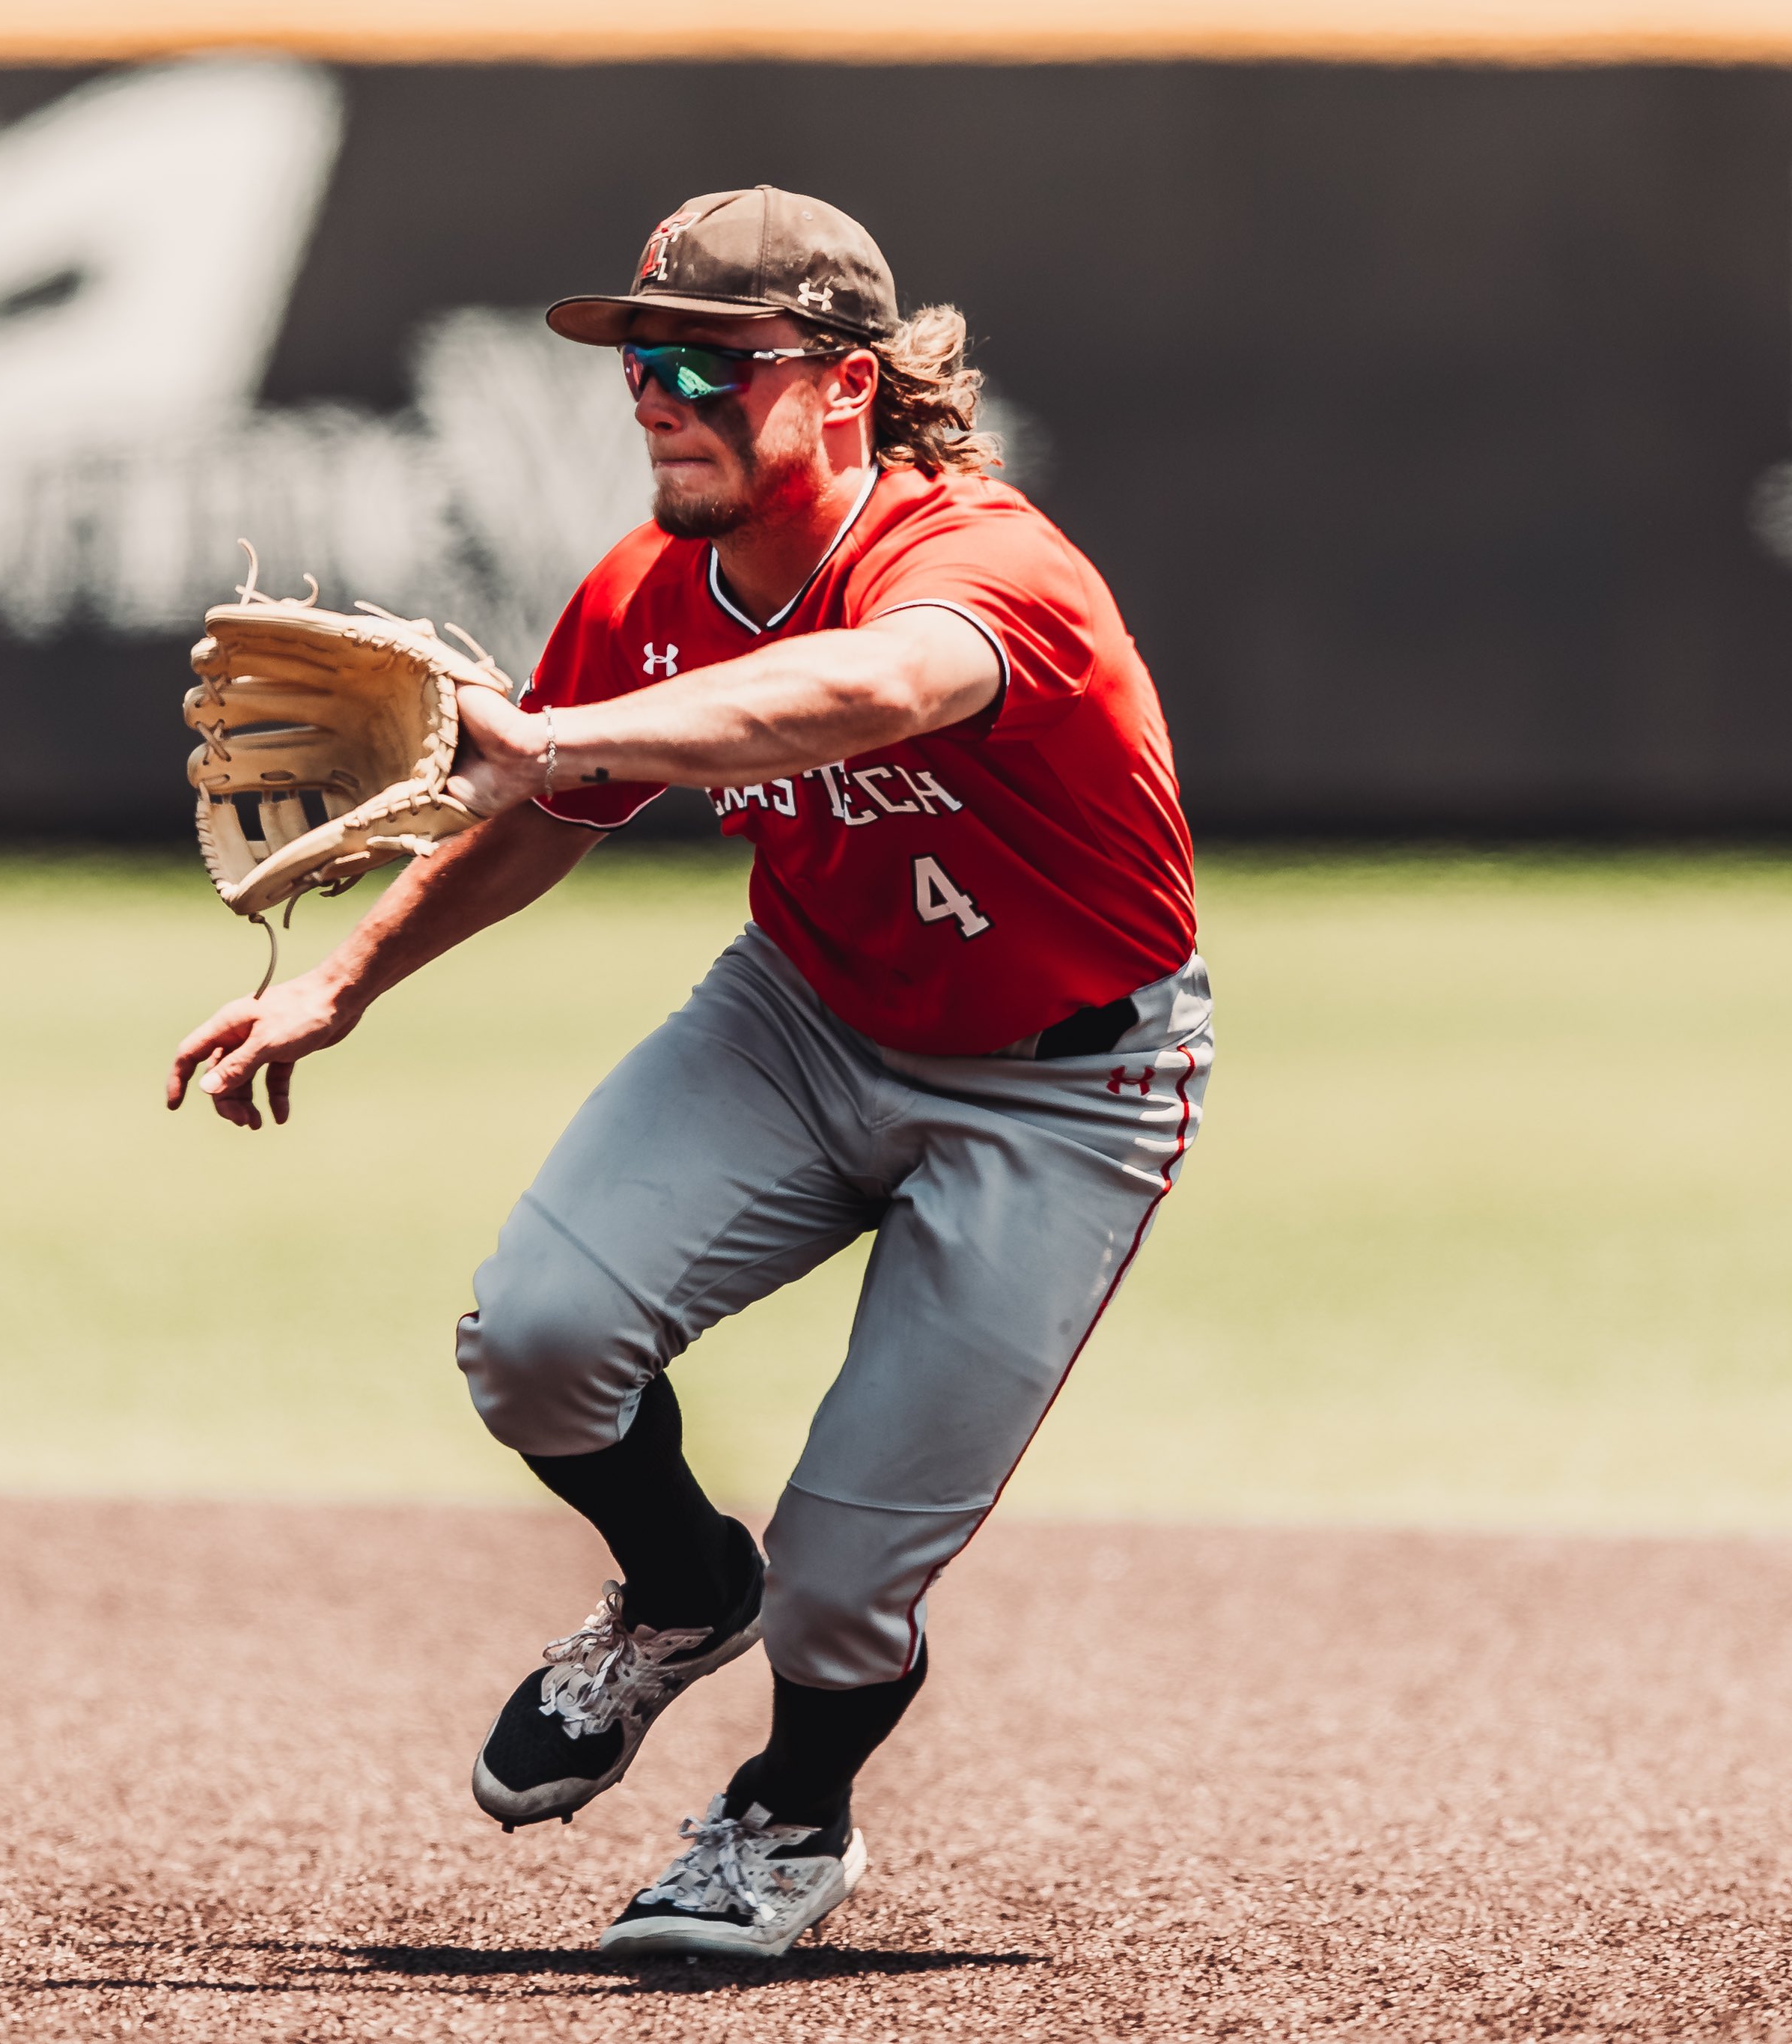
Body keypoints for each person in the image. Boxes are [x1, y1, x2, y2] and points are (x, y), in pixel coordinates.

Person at [165, 186, 1210, 1959]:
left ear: (845, 386)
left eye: (707, 361)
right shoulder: (647, 597)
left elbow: (860, 693)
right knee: (537, 1342)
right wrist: (342, 979)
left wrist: (549, 736)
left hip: (1061, 1089)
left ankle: (786, 1820)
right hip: (799, 1020)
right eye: (637, 360)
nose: (654, 392)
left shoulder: (983, 569)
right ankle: (672, 1589)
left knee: (845, 1585)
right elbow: (542, 813)